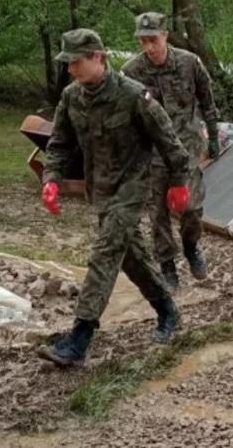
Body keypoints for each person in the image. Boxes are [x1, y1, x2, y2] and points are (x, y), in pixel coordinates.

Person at [38, 28, 191, 366]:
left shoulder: (134, 95)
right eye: (67, 63)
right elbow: (59, 144)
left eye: (76, 62)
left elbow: (170, 143)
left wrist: (179, 184)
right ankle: (168, 311)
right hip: (101, 192)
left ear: (98, 57)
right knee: (131, 257)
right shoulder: (71, 97)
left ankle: (79, 337)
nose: (70, 70)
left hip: (133, 189)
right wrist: (51, 179)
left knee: (104, 254)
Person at [121, 12, 221, 289]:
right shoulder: (132, 72)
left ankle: (191, 247)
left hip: (186, 148)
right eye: (143, 41)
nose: (149, 47)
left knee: (191, 209)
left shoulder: (189, 63)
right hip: (153, 152)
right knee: (158, 214)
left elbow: (207, 99)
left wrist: (213, 135)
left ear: (165, 35)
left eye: (153, 39)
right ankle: (167, 265)